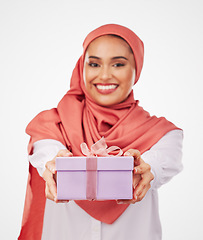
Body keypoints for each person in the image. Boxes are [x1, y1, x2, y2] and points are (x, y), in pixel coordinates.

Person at [18, 24, 183, 240]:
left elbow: (163, 160)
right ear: (82, 67)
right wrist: (54, 164)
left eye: (118, 64)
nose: (104, 75)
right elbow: (47, 150)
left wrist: (145, 169)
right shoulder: (52, 123)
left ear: (137, 69)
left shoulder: (162, 133)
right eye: (94, 64)